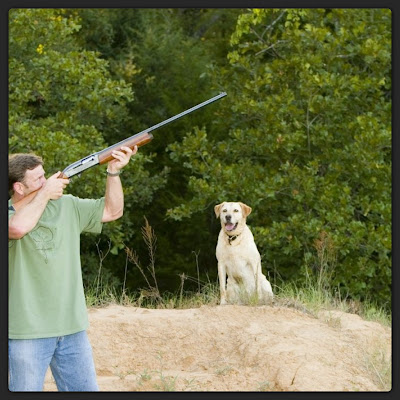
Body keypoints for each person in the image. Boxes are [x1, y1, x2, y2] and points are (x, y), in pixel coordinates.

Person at [8, 145, 136, 391]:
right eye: (39, 180)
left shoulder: (66, 205)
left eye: (45, 176)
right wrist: (45, 194)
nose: (47, 182)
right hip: (26, 332)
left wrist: (113, 173)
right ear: (19, 187)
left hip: (72, 329)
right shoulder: (10, 214)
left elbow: (112, 211)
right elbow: (17, 229)